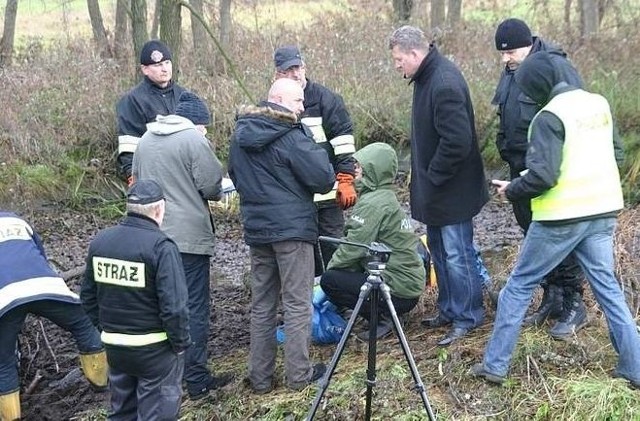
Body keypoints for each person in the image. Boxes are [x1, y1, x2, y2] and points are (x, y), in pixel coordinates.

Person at [472, 51, 640, 389]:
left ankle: (494, 365)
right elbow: (615, 154)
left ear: (537, 87)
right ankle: (634, 369)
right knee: (608, 291)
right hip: (603, 211)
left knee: (518, 286)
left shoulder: (548, 117)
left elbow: (543, 177)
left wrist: (513, 188)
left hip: (561, 216)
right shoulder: (598, 104)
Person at [228, 78, 336, 394]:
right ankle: (299, 375)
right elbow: (324, 179)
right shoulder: (292, 135)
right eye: (298, 101)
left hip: (258, 231)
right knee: (297, 302)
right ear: (279, 99)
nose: (303, 106)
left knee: (262, 304)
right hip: (293, 231)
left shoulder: (240, 135)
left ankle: (260, 378)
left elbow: (235, 175)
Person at [388, 25, 489, 346]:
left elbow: (457, 142)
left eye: (399, 59)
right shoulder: (426, 78)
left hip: (452, 192)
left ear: (416, 53)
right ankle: (449, 308)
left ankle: (469, 315)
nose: (396, 65)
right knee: (442, 254)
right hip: (438, 192)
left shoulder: (443, 82)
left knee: (459, 254)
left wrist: (433, 175)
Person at [492, 17, 589, 339]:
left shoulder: (556, 68)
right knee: (533, 235)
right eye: (502, 54)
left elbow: (576, 116)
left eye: (510, 52)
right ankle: (553, 298)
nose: (505, 59)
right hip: (518, 167)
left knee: (558, 236)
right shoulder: (511, 72)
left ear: (529, 44)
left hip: (549, 169)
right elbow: (504, 114)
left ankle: (575, 303)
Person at [132, 92, 231, 400]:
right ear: (198, 122)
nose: (206, 132)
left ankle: (160, 376)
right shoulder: (193, 140)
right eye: (206, 127)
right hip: (187, 240)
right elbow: (212, 186)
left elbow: (135, 181)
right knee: (193, 307)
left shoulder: (145, 138)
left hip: (148, 235)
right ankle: (197, 380)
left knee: (156, 306)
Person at [82, 180, 190, 419]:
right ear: (160, 210)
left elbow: (87, 298)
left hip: (116, 349)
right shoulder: (162, 247)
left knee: (121, 413)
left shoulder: (101, 242)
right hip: (155, 351)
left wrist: (107, 330)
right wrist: (180, 343)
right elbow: (174, 307)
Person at [0, 211, 107, 421]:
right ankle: (101, 387)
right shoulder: (16, 220)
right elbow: (39, 253)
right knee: (84, 324)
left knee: (3, 362)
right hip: (45, 285)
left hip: (5, 299)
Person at [320, 142, 426, 341]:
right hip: (407, 286)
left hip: (397, 289)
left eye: (360, 166)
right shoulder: (384, 196)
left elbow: (353, 248)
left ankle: (383, 317)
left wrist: (327, 273)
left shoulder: (373, 203)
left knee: (331, 282)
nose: (355, 170)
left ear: (373, 170)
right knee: (346, 273)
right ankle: (386, 312)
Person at [273, 45, 357, 276]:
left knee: (333, 248)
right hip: (296, 198)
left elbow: (343, 142)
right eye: (288, 70)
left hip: (329, 194)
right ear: (278, 74)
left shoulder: (326, 99)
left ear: (304, 67)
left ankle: (339, 300)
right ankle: (311, 301)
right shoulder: (275, 103)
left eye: (298, 68)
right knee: (304, 253)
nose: (295, 74)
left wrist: (346, 178)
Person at [116, 39, 186, 184]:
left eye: (167, 63)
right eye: (158, 65)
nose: (165, 69)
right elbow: (129, 147)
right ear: (145, 69)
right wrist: (133, 180)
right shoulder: (133, 100)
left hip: (185, 174)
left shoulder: (184, 96)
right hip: (152, 176)